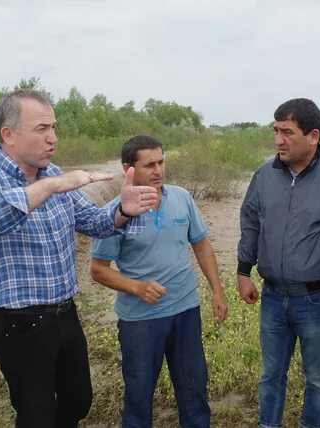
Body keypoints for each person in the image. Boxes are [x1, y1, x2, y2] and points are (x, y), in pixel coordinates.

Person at [0, 89, 158, 428]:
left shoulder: (53, 174)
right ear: (9, 134)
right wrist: (49, 188)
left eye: (54, 127)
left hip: (65, 313)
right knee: (36, 416)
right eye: (41, 129)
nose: (53, 138)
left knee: (78, 401)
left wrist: (123, 209)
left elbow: (93, 222)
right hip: (18, 322)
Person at [237, 98, 320, 428]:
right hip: (272, 296)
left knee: (319, 378)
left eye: (287, 132)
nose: (278, 140)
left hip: (318, 299)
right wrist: (243, 270)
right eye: (276, 130)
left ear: (313, 136)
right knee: (270, 375)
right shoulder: (264, 174)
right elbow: (251, 220)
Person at [90, 135, 228, 428]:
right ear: (128, 168)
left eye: (161, 162)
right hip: (140, 321)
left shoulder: (181, 197)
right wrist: (136, 287)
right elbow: (98, 270)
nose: (158, 170)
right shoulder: (116, 213)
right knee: (139, 396)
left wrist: (217, 290)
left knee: (194, 390)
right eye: (149, 164)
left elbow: (201, 245)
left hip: (186, 311)